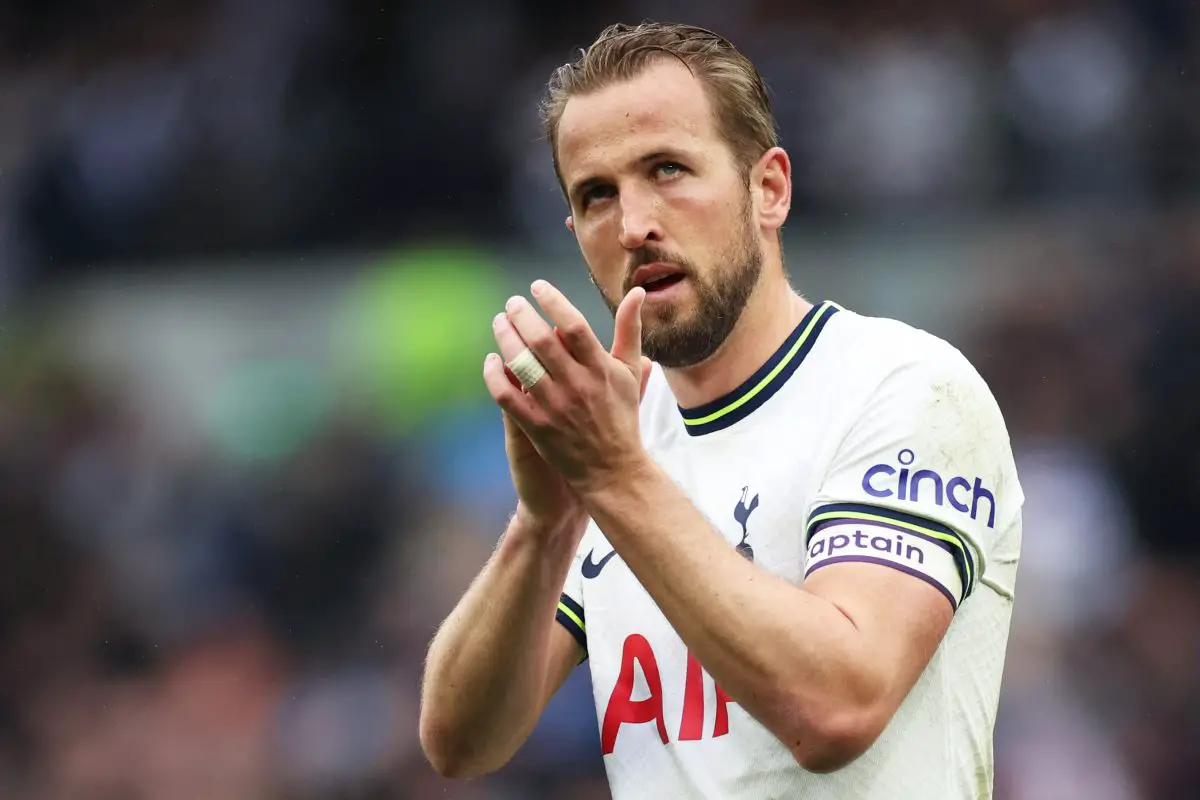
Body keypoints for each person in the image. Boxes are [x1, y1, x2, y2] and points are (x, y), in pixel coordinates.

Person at [418, 21, 1023, 800]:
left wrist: (611, 476)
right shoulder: (616, 439)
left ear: (767, 189)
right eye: (597, 195)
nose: (633, 225)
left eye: (667, 169)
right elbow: (461, 742)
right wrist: (543, 526)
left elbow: (837, 707)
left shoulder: (906, 388)